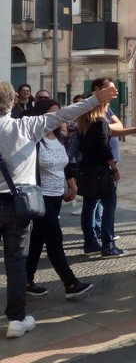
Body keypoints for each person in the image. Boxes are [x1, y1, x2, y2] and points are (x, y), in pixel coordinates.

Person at [0, 80, 116, 339]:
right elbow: (66, 114)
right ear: (13, 102)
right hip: (18, 205)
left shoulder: (27, 125)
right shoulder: (26, 126)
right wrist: (96, 99)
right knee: (16, 263)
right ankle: (17, 319)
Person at [23, 99, 93, 299]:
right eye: (51, 114)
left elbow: (65, 164)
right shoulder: (34, 139)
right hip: (40, 196)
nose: (56, 118)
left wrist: (72, 184)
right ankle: (70, 283)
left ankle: (26, 279)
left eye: (58, 114)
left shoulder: (60, 137)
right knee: (54, 239)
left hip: (56, 196)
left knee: (38, 239)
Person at [76, 81, 124, 258]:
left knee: (88, 206)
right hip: (100, 172)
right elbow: (104, 148)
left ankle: (89, 243)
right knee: (109, 206)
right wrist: (114, 168)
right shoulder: (100, 122)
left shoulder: (83, 123)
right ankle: (108, 245)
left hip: (86, 169)